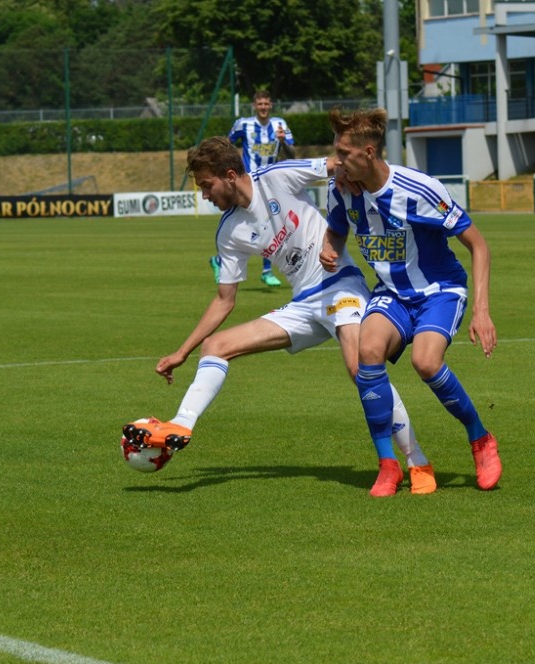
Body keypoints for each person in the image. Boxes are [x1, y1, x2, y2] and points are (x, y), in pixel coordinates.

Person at [124, 136, 437, 494]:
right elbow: (225, 300)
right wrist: (183, 352)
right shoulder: (229, 232)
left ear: (230, 175)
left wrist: (361, 179)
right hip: (303, 304)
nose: (205, 195)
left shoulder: (276, 177)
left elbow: (338, 163)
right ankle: (182, 422)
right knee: (215, 346)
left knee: (359, 368)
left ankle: (416, 461)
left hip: (340, 286)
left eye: (207, 185)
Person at [321, 107, 502, 495]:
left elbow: (478, 245)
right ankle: (388, 465)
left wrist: (482, 311)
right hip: (392, 293)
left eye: (343, 153)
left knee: (426, 361)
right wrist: (328, 247)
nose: (336, 161)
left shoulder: (420, 189)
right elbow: (335, 230)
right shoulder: (340, 188)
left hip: (439, 290)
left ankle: (480, 438)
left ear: (369, 152)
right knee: (367, 352)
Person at [208, 90, 294, 288]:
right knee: (255, 223)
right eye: (260, 104)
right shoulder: (243, 124)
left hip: (270, 182)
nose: (263, 107)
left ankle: (261, 270)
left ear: (271, 105)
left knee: (268, 223)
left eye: (266, 103)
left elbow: (292, 154)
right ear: (254, 106)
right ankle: (255, 268)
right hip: (247, 182)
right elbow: (226, 146)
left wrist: (282, 141)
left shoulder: (280, 124)